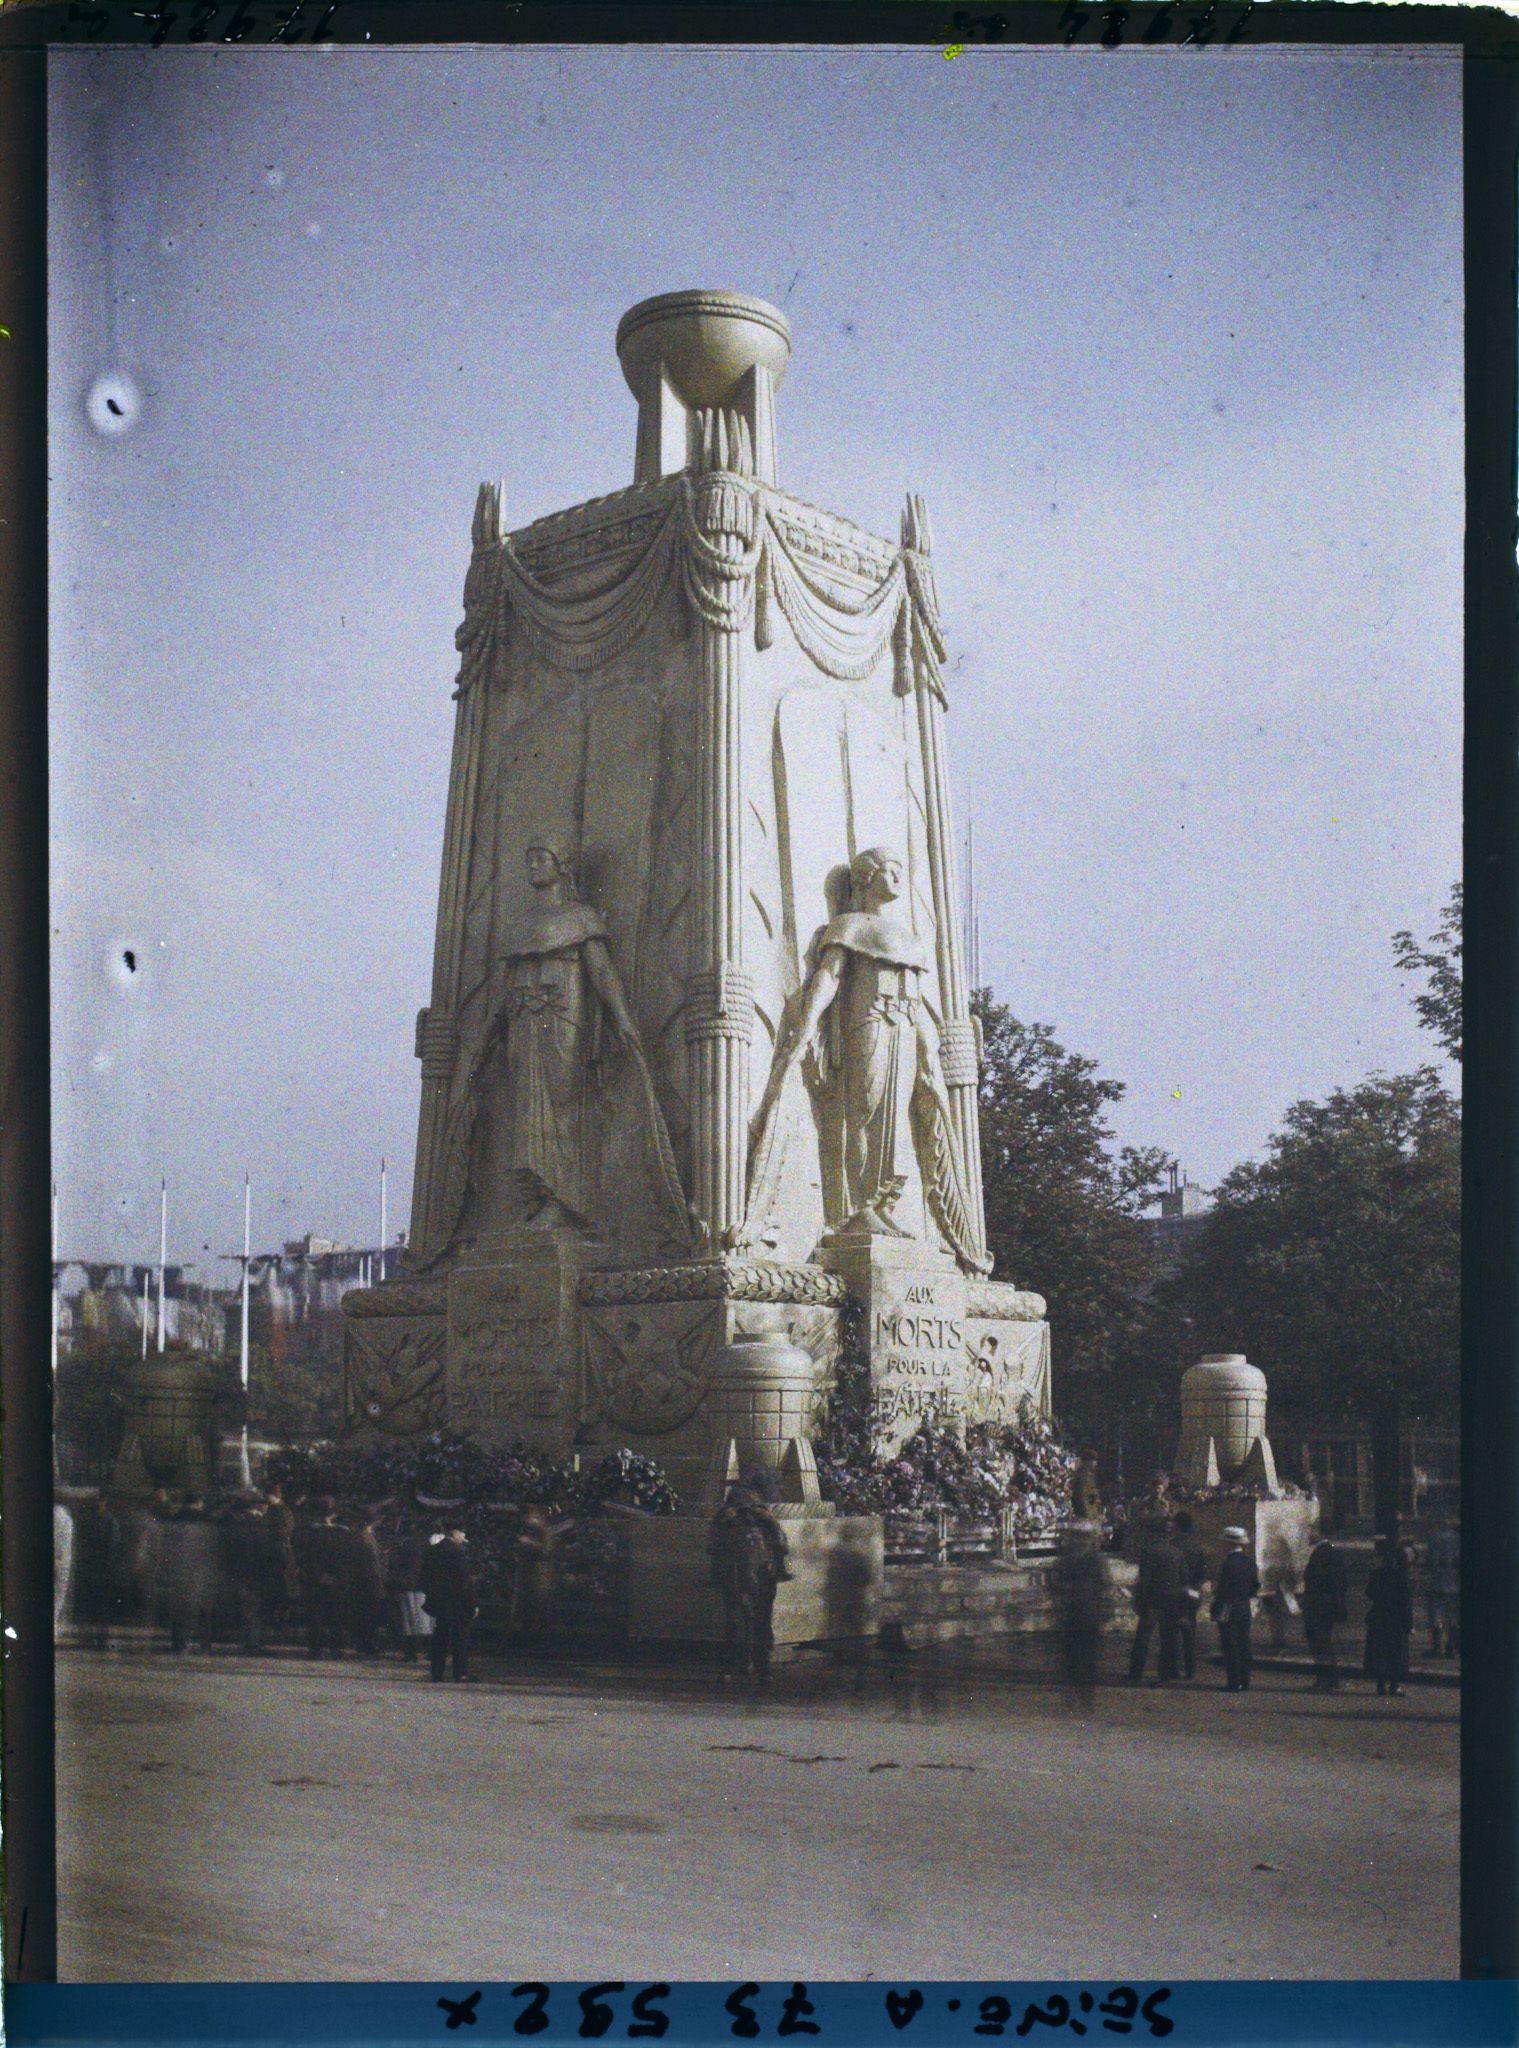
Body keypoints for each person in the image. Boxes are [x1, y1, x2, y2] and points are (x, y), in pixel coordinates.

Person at [708, 1483, 790, 1684]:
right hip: (736, 1572)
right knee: (735, 1622)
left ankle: (760, 1666)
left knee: (759, 1621)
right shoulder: (728, 1516)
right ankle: (736, 1665)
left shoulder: (761, 1515)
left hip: (761, 1575)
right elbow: (713, 1542)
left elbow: (779, 1539)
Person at [1053, 1520, 1108, 1712]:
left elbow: (1103, 1586)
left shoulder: (1079, 1559)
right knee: (1075, 1657)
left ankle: (1084, 1697)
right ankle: (1077, 1697)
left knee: (1084, 1657)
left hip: (1083, 1612)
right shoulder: (1072, 1559)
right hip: (1077, 1612)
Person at [155, 1498, 219, 1654]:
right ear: (199, 1503)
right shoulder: (207, 1521)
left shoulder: (175, 1520)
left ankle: (180, 1643)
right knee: (203, 1609)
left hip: (180, 1570)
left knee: (181, 1609)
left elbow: (166, 1548)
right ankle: (205, 1643)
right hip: (201, 1571)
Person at [294, 1497, 354, 1659]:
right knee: (336, 1615)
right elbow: (347, 1558)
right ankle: (336, 1648)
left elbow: (306, 1557)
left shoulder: (309, 1532)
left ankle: (316, 1648)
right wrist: (338, 1577)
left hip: (315, 1579)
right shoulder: (343, 1532)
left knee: (316, 1615)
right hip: (338, 1580)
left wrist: (320, 1574)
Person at [1127, 1517, 1184, 1684]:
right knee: (1168, 1638)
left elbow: (1143, 1578)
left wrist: (1139, 1599)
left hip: (1151, 1599)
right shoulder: (1177, 1553)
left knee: (1143, 1638)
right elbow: (1183, 1578)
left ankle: (1136, 1673)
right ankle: (1165, 1673)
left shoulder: (1148, 1551)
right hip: (1171, 1601)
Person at [418, 1527, 477, 1682]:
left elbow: (424, 1576)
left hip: (439, 1601)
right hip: (457, 1602)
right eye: (463, 1533)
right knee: (460, 1638)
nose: (463, 1537)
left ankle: (436, 1672)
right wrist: (472, 1604)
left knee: (440, 1636)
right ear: (455, 1532)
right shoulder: (458, 1553)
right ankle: (460, 1672)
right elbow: (465, 1582)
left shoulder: (433, 1551)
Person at [1300, 1519, 1350, 1691]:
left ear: (1320, 1533)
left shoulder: (1323, 1552)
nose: (1309, 1535)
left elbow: (1326, 1581)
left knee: (1320, 1643)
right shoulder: (1329, 1552)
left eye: (1312, 1531)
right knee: (1322, 1642)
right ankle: (1328, 1679)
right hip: (1325, 1605)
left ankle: (1326, 1679)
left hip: (1319, 1605)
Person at [1210, 1526, 1260, 1693]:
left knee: (1230, 1645)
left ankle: (1234, 1681)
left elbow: (1222, 1590)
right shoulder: (1250, 1562)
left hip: (1228, 1607)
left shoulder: (1227, 1564)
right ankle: (1245, 1680)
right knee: (1244, 1644)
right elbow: (1255, 1587)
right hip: (1244, 1607)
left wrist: (1215, 1607)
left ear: (1228, 1543)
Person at [1364, 1535, 1414, 1697]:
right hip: (1396, 1619)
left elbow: (1369, 1592)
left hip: (1379, 1616)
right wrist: (1409, 1624)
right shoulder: (1403, 1578)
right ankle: (1394, 1685)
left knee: (1380, 1652)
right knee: (1396, 1653)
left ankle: (1380, 1685)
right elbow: (1406, 1604)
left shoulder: (1377, 1574)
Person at [348, 1506, 389, 1657]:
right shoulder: (366, 1538)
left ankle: (364, 1643)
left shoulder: (359, 1535)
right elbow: (372, 1563)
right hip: (369, 1582)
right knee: (369, 1615)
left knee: (365, 1615)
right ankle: (367, 1644)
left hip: (362, 1581)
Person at [1172, 1511, 1208, 1681]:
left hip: (1175, 1592)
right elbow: (1202, 1573)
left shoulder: (1173, 1545)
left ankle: (1174, 1667)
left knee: (1172, 1632)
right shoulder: (1197, 1547)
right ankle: (1190, 1669)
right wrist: (1195, 1589)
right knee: (1190, 1632)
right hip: (1192, 1592)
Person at [513, 1506, 558, 1639]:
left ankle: (540, 1635)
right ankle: (524, 1632)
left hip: (539, 1572)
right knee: (525, 1606)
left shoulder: (545, 1531)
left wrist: (530, 1543)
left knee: (539, 1604)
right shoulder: (526, 1530)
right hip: (526, 1572)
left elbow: (547, 1550)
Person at [1425, 1509, 1460, 1659]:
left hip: (1438, 1581)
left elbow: (1431, 1561)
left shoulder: (1433, 1538)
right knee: (1453, 1616)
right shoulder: (1457, 1538)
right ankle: (1451, 1647)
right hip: (1455, 1581)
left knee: (1436, 1614)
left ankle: (1437, 1647)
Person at [1070, 1448, 1102, 1525]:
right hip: (1084, 1515)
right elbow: (1083, 1497)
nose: (1095, 1464)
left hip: (1088, 1513)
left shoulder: (1088, 1476)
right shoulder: (1083, 1476)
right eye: (1093, 1461)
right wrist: (1089, 1515)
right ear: (1087, 1462)